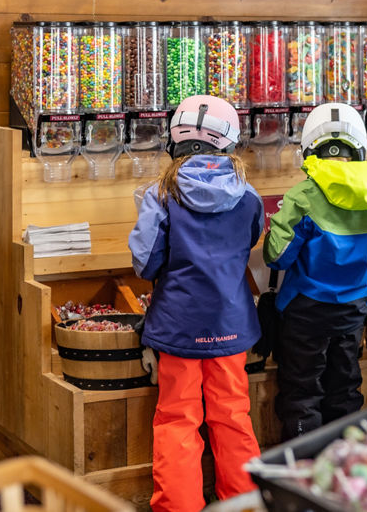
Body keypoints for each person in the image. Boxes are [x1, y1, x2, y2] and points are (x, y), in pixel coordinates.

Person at [129, 95, 263, 512]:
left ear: (175, 142)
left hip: (178, 325)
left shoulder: (160, 193)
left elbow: (145, 263)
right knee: (233, 415)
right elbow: (252, 239)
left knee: (177, 420)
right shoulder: (248, 195)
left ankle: (178, 506)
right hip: (231, 323)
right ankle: (242, 504)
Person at [263, 103, 367, 440]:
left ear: (310, 148)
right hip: (353, 311)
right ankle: (345, 467)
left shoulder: (302, 196)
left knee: (303, 393)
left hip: (305, 312)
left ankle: (304, 470)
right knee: (346, 389)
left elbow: (276, 256)